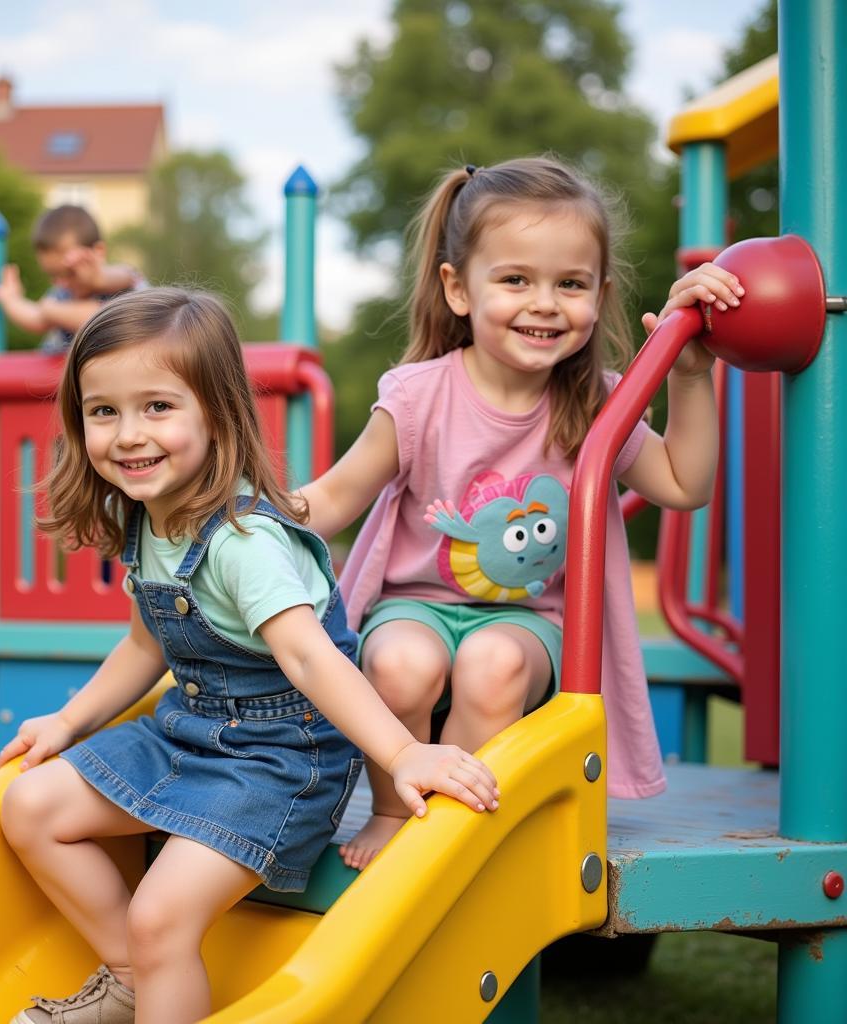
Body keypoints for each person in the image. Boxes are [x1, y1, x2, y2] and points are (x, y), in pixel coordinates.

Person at [0, 287, 498, 1024]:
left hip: (280, 759)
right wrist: (69, 722)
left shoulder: (243, 542)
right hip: (188, 733)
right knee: (30, 807)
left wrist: (401, 755)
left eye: (158, 407)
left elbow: (309, 659)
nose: (129, 434)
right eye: (104, 411)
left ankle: (150, 960)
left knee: (162, 916)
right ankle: (135, 976)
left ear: (216, 413)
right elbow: (145, 642)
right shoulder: (150, 518)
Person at [298, 157, 741, 870]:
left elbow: (684, 484)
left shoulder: (598, 400)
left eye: (570, 284)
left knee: (493, 663)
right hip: (415, 604)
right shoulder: (418, 397)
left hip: (530, 623)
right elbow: (336, 496)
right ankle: (392, 807)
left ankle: (456, 822)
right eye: (515, 280)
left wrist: (690, 374)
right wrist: (252, 519)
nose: (544, 303)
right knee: (401, 664)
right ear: (459, 289)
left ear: (598, 294)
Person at [0, 204, 145, 354]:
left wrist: (97, 279)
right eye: (53, 275)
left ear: (98, 252)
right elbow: (36, 318)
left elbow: (124, 277)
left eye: (69, 273)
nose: (60, 282)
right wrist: (11, 300)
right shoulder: (64, 293)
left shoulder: (122, 286)